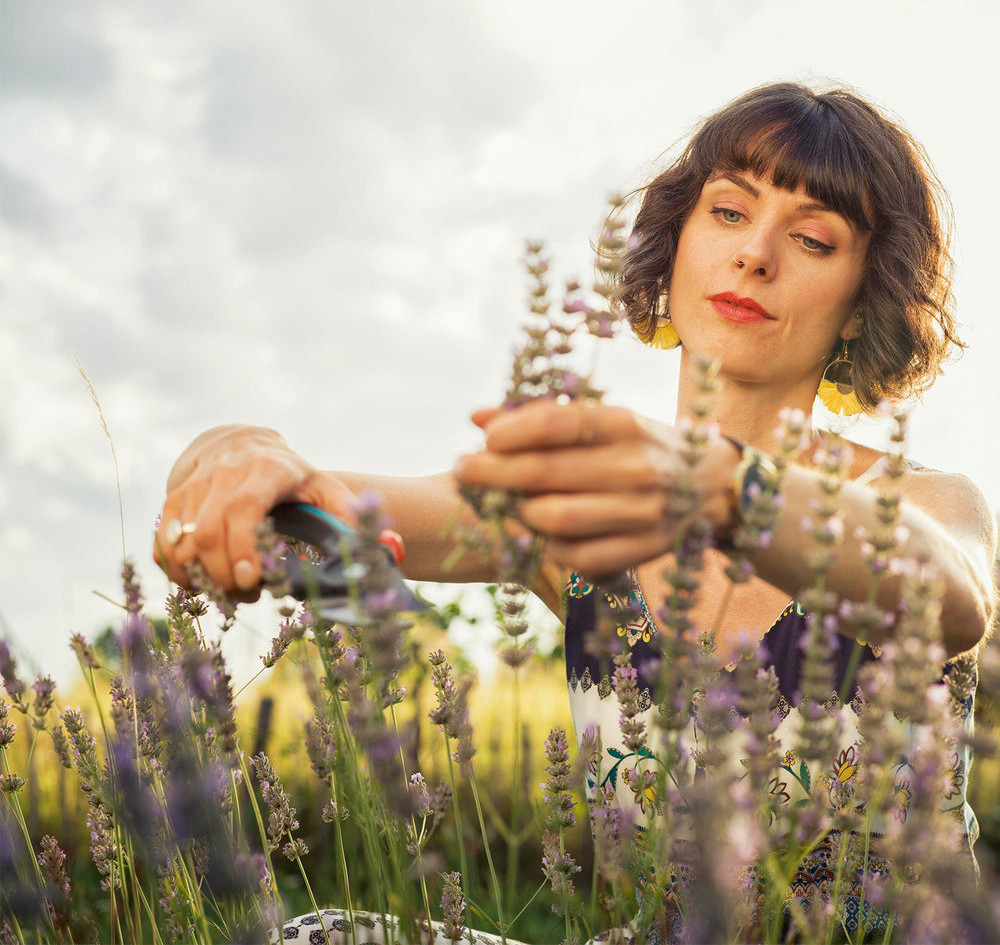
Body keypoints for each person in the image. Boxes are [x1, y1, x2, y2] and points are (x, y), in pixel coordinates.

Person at [156, 82, 997, 942]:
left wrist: (713, 482)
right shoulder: (576, 519)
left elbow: (950, 595)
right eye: (729, 213)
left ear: (863, 303)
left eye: (813, 238)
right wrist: (235, 451)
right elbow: (334, 503)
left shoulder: (920, 504)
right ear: (675, 249)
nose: (756, 255)